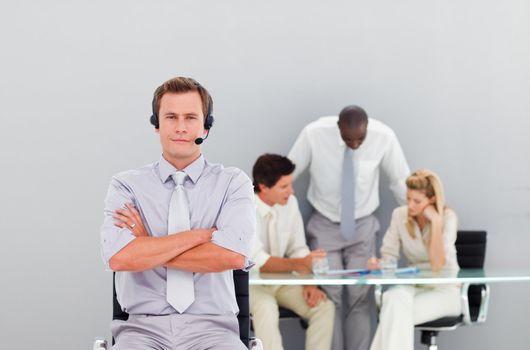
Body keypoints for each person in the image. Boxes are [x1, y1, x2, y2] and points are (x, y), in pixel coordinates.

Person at [99, 77, 256, 350]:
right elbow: (119, 257)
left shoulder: (233, 182)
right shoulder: (126, 185)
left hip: (215, 331)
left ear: (206, 127)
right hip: (141, 331)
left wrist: (147, 243)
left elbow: (232, 255)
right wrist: (200, 236)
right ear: (156, 125)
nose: (181, 127)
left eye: (191, 117)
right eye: (171, 117)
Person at [288, 105, 410, 350]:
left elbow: (401, 182)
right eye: (348, 139)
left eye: (360, 140)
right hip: (324, 224)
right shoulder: (314, 133)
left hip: (363, 224)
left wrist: (421, 216)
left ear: (367, 130)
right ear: (338, 128)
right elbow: (287, 172)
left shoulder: (384, 136)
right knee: (330, 296)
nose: (354, 145)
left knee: (360, 296)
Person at [249, 154, 335, 350]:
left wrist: (308, 283)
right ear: (263, 186)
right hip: (251, 285)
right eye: (284, 186)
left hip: (281, 282)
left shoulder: (291, 203)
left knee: (323, 306)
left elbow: (298, 249)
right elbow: (256, 260)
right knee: (266, 307)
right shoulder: (245, 208)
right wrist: (300, 264)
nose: (291, 191)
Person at [368, 170, 461, 350]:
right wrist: (379, 263)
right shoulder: (400, 215)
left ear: (432, 200)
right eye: (408, 198)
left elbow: (437, 264)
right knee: (392, 297)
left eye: (417, 201)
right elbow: (389, 255)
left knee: (393, 313)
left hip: (445, 291)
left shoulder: (448, 218)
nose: (410, 205)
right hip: (413, 286)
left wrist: (435, 222)